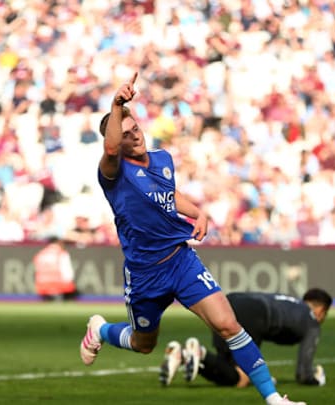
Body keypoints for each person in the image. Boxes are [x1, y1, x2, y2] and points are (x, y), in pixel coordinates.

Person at [77, 73, 305, 405]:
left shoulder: (163, 160)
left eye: (135, 128)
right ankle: (99, 330)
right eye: (125, 134)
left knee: (228, 325)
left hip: (181, 260)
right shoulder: (113, 174)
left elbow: (167, 195)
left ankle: (273, 399)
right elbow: (110, 147)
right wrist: (116, 104)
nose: (134, 136)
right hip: (145, 273)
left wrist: (198, 212)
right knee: (144, 344)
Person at [163, 288, 333, 388]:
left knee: (227, 372)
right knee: (242, 379)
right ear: (321, 311)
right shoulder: (312, 321)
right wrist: (316, 379)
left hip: (231, 300)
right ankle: (198, 352)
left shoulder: (289, 302)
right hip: (256, 313)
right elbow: (303, 374)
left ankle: (188, 355)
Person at [33, 237, 78, 301]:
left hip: (42, 285)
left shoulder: (41, 253)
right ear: (58, 242)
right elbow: (67, 271)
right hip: (58, 285)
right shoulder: (61, 253)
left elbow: (37, 270)